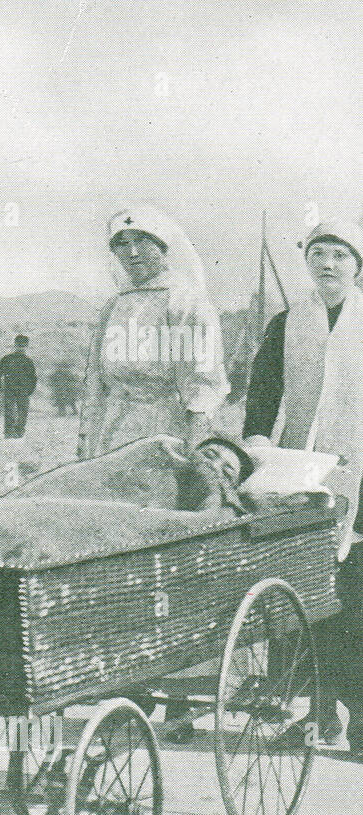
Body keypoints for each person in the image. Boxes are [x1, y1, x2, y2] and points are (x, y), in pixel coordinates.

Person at [243, 219, 363, 756]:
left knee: (356, 597)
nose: (328, 264)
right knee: (310, 595)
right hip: (304, 472)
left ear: (357, 264)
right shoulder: (289, 322)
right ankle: (318, 712)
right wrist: (259, 442)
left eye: (339, 254)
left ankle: (357, 718)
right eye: (318, 253)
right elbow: (264, 389)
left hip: (361, 476)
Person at [78, 205, 228, 460]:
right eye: (123, 244)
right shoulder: (114, 306)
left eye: (142, 242)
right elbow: (95, 378)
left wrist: (193, 446)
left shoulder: (185, 302)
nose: (133, 253)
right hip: (112, 430)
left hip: (167, 428)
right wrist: (86, 438)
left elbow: (205, 382)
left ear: (162, 247)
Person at [0, 335, 38, 438]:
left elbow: (33, 377)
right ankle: (9, 432)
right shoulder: (7, 359)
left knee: (23, 411)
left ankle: (19, 432)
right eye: (19, 345)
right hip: (9, 388)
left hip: (23, 390)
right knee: (9, 410)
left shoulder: (28, 361)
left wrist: (30, 390)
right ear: (15, 345)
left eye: (23, 346)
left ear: (26, 346)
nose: (21, 348)